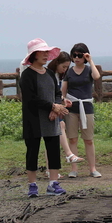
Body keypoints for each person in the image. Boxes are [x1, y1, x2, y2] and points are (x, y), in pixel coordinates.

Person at [19, 38, 69, 198]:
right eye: (43, 52)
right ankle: (32, 185)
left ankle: (53, 184)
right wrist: (52, 106)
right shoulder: (26, 75)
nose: (46, 55)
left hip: (50, 119)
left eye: (47, 52)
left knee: (54, 150)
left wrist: (56, 108)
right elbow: (30, 98)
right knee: (32, 151)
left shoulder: (49, 74)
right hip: (33, 119)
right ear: (34, 54)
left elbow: (56, 92)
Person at [62, 43, 102, 178]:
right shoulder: (69, 71)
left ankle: (92, 168)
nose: (77, 58)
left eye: (80, 55)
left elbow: (96, 77)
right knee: (72, 139)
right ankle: (74, 169)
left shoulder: (89, 69)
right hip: (72, 107)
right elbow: (63, 91)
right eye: (74, 55)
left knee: (88, 139)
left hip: (86, 107)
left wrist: (90, 60)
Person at [46, 51, 84, 165]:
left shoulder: (57, 76)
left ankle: (51, 169)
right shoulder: (49, 75)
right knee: (59, 128)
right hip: (49, 107)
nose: (65, 70)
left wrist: (63, 99)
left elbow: (56, 93)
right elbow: (48, 93)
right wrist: (54, 108)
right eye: (63, 66)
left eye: (67, 67)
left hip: (54, 106)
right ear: (56, 63)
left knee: (53, 139)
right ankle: (69, 154)